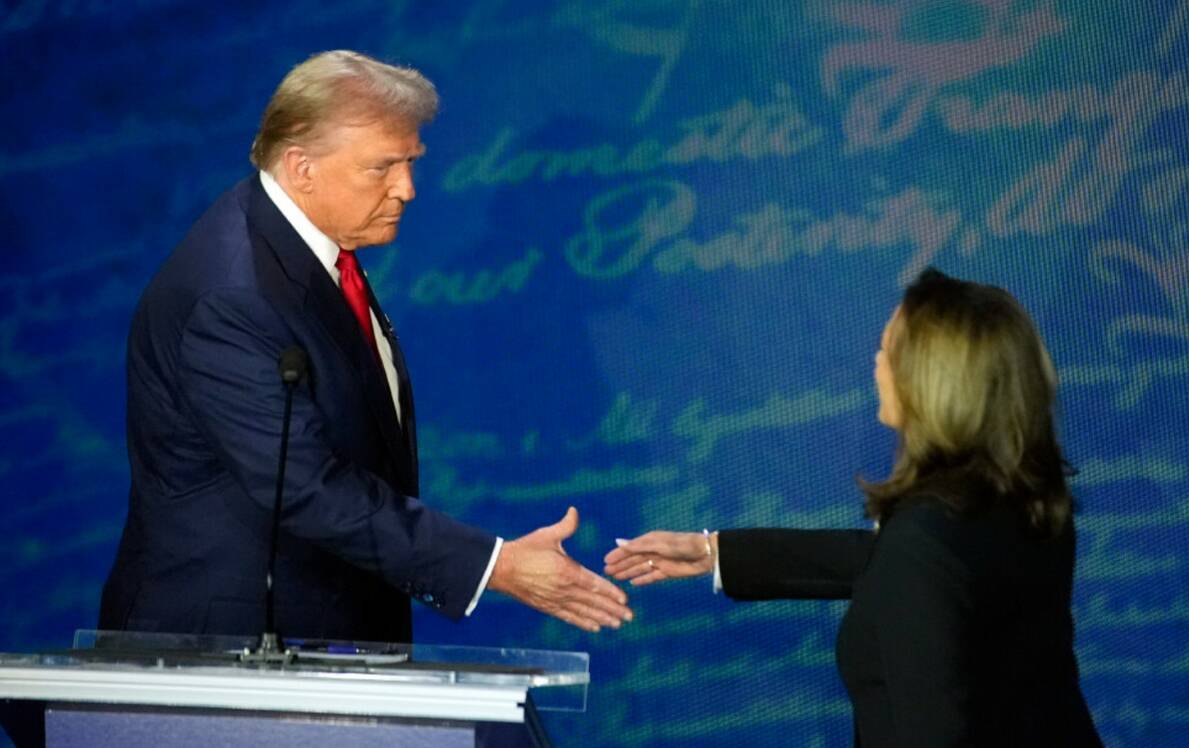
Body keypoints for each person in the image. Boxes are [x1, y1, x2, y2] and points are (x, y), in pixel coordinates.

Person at [98, 50, 632, 643]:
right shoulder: (233, 294)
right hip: (228, 653)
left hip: (317, 636)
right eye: (382, 167)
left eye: (410, 163)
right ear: (302, 168)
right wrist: (495, 566)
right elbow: (307, 486)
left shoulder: (308, 250)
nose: (405, 188)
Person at [605, 269, 1103, 746]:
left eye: (887, 351)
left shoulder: (925, 543)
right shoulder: (1023, 501)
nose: (876, 363)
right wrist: (714, 553)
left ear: (931, 383)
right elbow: (895, 565)